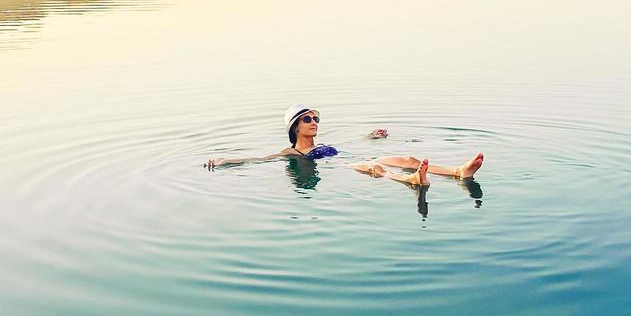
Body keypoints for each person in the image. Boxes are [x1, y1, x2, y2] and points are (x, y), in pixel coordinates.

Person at [204, 105, 484, 188]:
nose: (313, 122)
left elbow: (348, 143)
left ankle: (457, 172)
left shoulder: (325, 143)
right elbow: (257, 159)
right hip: (344, 166)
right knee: (373, 166)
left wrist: (371, 136)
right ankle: (410, 181)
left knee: (405, 156)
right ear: (295, 127)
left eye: (315, 118)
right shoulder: (292, 152)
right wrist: (224, 160)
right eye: (306, 119)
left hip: (347, 155)